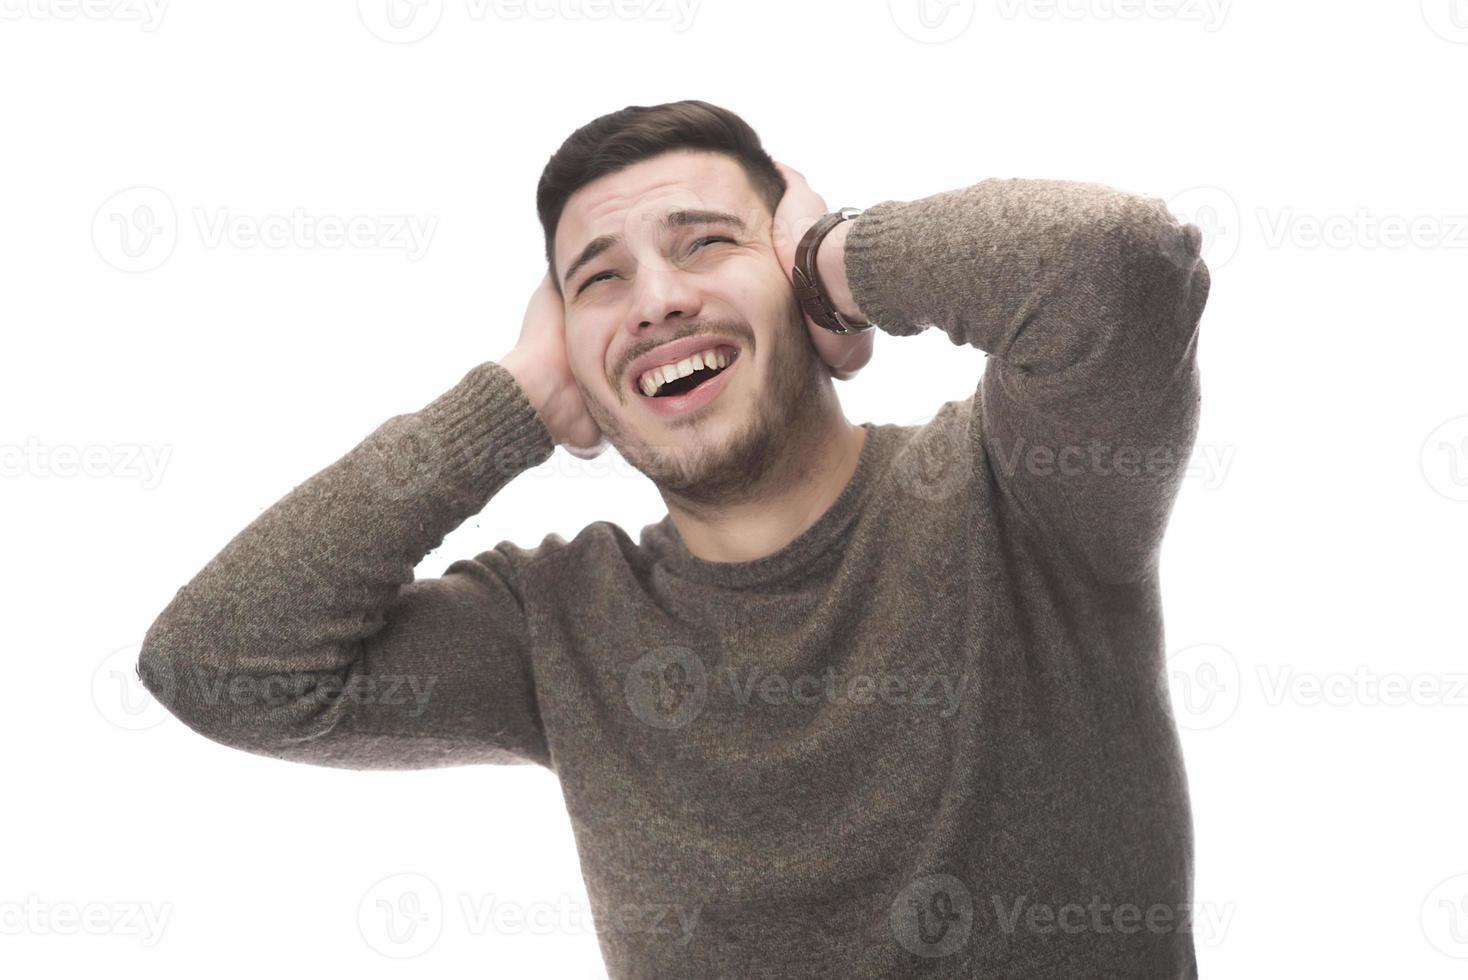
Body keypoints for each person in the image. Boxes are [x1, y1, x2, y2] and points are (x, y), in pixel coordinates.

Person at [136, 98, 1211, 978]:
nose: (655, 299)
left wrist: (840, 264)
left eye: (705, 245)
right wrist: (513, 403)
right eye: (598, 281)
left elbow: (1119, 261)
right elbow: (217, 663)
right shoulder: (554, 623)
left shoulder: (1020, 491)